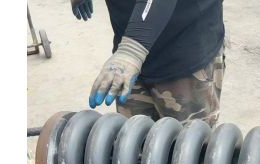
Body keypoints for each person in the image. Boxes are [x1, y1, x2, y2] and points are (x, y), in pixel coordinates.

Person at [70, 0, 225, 127]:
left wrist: (132, 50)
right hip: (129, 54)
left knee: (187, 148)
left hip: (184, 52)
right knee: (131, 144)